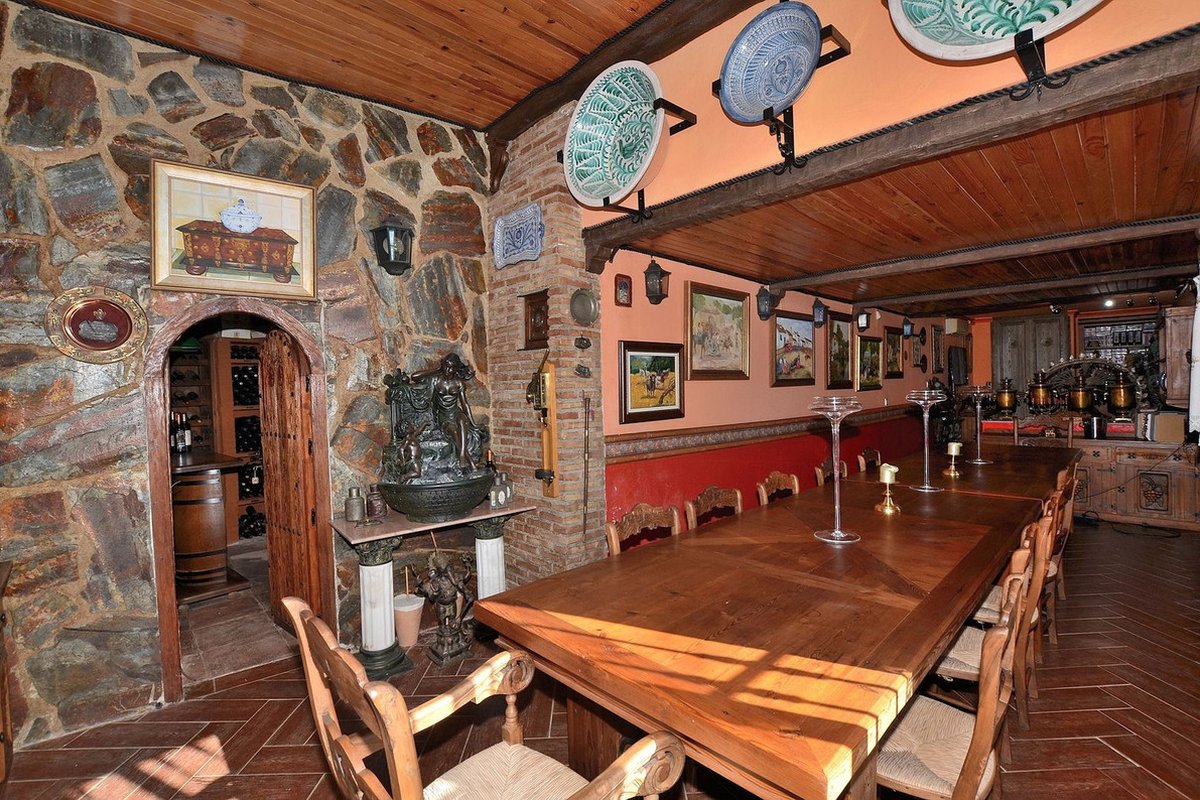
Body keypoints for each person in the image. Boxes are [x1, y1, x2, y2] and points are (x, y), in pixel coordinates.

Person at [412, 354, 483, 470]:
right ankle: (469, 461)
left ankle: (462, 455)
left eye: (451, 368)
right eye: (446, 366)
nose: (447, 370)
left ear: (456, 369)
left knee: (462, 420)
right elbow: (414, 377)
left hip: (455, 412)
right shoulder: (436, 380)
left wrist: (473, 423)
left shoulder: (458, 383)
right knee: (454, 431)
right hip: (443, 415)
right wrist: (437, 369)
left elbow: (465, 404)